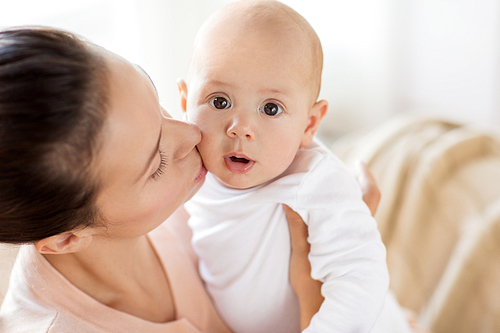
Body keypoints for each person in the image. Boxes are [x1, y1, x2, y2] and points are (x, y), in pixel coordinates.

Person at [0, 27, 382, 332]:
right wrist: (311, 293)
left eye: (159, 105)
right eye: (157, 164)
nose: (191, 135)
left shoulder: (184, 188)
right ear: (67, 238)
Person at [178, 1, 412, 332]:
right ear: (186, 104)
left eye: (271, 108)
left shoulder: (311, 177)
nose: (240, 127)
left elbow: (362, 272)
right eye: (220, 101)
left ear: (309, 124)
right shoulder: (185, 161)